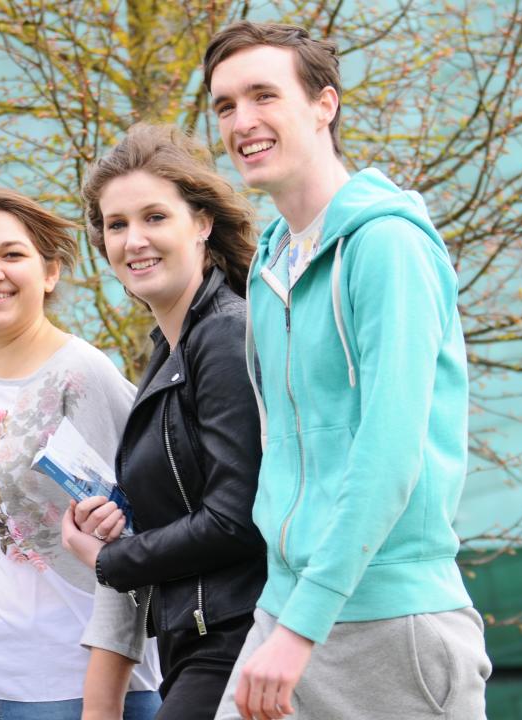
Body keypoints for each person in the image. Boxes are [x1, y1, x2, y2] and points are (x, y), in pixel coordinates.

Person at [203, 21, 492, 720]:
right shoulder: (271, 266)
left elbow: (389, 452)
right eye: (224, 105)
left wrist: (304, 625)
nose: (242, 122)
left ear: (324, 104)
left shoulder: (387, 247)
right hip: (289, 608)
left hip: (390, 625)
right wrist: (290, 613)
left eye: (264, 96)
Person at [60, 124, 267, 720]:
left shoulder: (226, 334)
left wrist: (112, 561)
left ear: (201, 223)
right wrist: (116, 518)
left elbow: (237, 517)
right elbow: (187, 493)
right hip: (193, 637)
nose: (134, 240)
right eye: (117, 224)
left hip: (236, 637)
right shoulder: (169, 349)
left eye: (155, 217)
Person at [0, 184, 161, 720]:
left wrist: (100, 707)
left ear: (50, 272)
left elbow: (133, 549)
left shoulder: (79, 378)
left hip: (72, 693)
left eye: (12, 255)